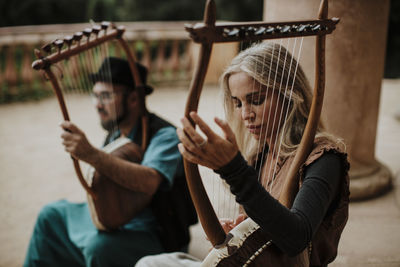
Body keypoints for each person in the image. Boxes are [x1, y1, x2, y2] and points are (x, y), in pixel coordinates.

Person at [136, 42, 350, 266]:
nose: (246, 114)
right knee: (153, 263)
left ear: (290, 95)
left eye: (256, 100)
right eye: (237, 103)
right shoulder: (260, 157)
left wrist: (234, 170)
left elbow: (296, 238)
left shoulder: (324, 158)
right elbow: (264, 225)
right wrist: (239, 232)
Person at [24, 57, 196, 267]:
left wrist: (92, 154)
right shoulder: (115, 135)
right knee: (50, 216)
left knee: (100, 247)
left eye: (105, 96)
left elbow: (150, 181)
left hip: (156, 233)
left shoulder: (166, 136)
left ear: (134, 98)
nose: (97, 105)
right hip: (117, 218)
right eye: (95, 96)